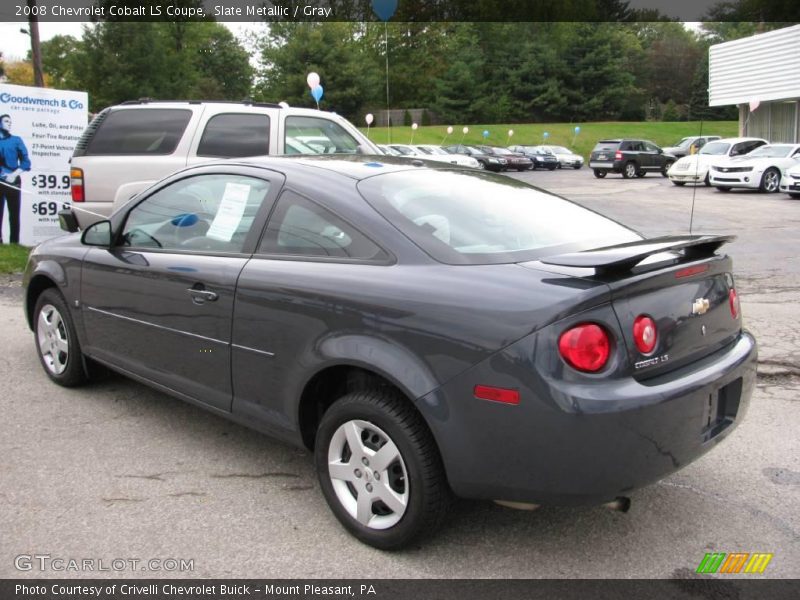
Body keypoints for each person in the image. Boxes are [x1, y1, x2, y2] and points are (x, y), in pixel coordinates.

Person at [0, 114, 32, 244]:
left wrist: (13, 175)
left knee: (14, 214)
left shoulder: (16, 140)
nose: (9, 124)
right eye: (6, 121)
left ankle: (14, 242)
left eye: (10, 122)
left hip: (13, 181)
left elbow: (26, 162)